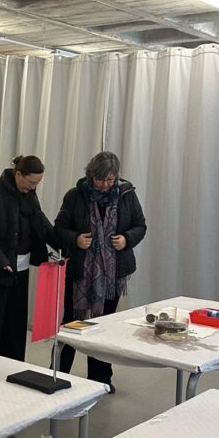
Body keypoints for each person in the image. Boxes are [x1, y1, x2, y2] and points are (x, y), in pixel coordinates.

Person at [54, 151, 147, 391]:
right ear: (90, 175)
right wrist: (75, 239)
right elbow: (59, 228)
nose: (105, 185)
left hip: (113, 274)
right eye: (100, 179)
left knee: (103, 326)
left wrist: (127, 239)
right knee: (71, 324)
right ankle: (57, 375)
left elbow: (140, 225)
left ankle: (100, 379)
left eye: (109, 179)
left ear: (116, 176)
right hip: (79, 272)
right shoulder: (75, 195)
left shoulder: (127, 194)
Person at [0, 154, 58, 361]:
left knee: (16, 319)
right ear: (18, 174)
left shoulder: (29, 195)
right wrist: (0, 260)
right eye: (31, 182)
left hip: (20, 266)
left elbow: (41, 222)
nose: (34, 187)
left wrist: (63, 244)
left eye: (37, 183)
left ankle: (13, 363)